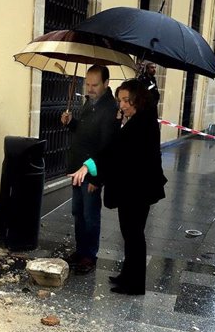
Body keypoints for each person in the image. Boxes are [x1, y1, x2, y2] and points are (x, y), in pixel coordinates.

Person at [70, 79, 167, 294]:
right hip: (132, 188)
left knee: (134, 235)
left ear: (138, 100)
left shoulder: (142, 122)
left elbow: (116, 153)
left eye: (126, 100)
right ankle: (128, 275)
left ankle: (134, 284)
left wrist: (92, 171)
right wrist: (120, 121)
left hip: (137, 190)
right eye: (120, 100)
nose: (122, 105)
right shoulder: (136, 119)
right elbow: (116, 149)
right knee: (130, 234)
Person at [60, 65, 119, 274]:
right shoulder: (89, 103)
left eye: (95, 85)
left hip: (92, 173)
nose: (90, 88)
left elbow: (106, 147)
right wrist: (71, 123)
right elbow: (84, 132)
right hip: (77, 169)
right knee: (78, 212)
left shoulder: (110, 109)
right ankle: (80, 250)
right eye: (88, 83)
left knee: (90, 214)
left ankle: (89, 256)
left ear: (106, 84)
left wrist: (97, 178)